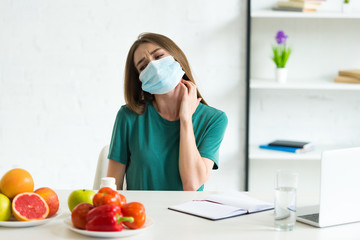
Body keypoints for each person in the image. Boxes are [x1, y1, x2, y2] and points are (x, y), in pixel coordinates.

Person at [106, 32, 228, 191]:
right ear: (140, 79)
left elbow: (192, 184)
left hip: (187, 215)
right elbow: (111, 187)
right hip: (140, 214)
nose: (154, 66)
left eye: (159, 56)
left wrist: (185, 119)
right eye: (143, 66)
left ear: (177, 58)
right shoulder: (129, 116)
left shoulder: (214, 119)